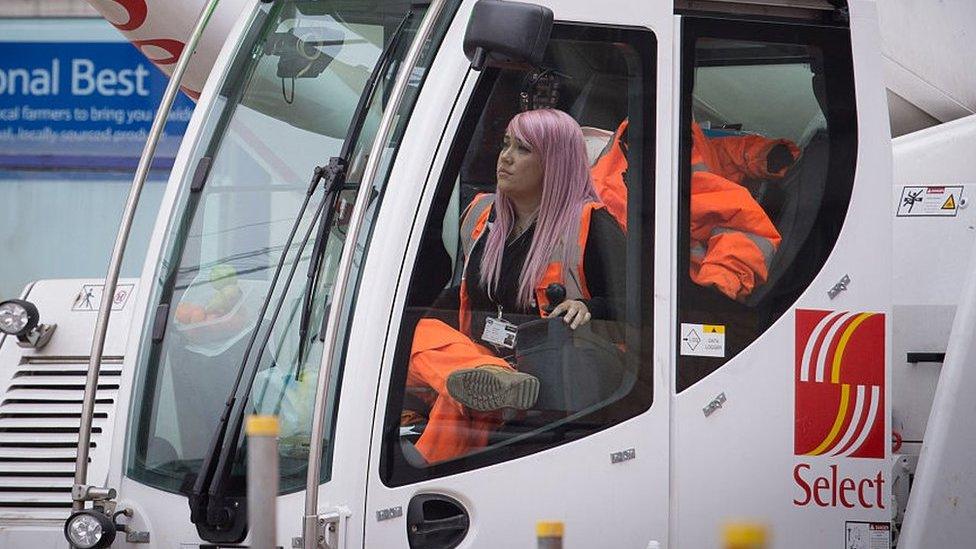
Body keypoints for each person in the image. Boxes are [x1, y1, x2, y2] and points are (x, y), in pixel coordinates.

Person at [405, 108, 626, 463]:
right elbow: (459, 292)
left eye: (523, 149)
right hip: (481, 357)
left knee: (460, 396)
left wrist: (590, 307)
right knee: (415, 329)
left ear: (555, 162)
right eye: (505, 144)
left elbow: (641, 305)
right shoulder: (479, 213)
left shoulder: (592, 223)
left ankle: (425, 471)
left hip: (549, 376)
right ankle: (488, 378)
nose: (505, 158)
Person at [591, 119, 798, 301]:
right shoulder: (668, 151)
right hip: (680, 299)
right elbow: (750, 230)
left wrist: (763, 155)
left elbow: (717, 154)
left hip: (671, 296)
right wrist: (715, 291)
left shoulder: (661, 134)